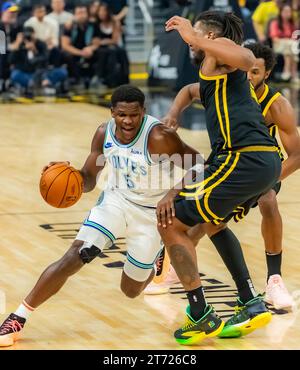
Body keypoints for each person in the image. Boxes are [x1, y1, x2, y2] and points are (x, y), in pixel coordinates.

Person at [0, 84, 202, 347]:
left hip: (151, 213)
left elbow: (197, 163)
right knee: (76, 254)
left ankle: (158, 260)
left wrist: (172, 195)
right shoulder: (102, 134)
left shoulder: (159, 137)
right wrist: (67, 173)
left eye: (134, 115)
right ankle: (18, 318)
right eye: (121, 115)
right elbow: (89, 180)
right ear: (112, 113)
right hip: (116, 201)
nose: (127, 121)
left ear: (143, 111)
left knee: (131, 290)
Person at [155, 11, 282, 345]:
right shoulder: (212, 70)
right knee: (212, 223)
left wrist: (191, 34)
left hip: (244, 158)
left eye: (197, 33)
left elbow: (247, 57)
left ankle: (200, 314)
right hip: (252, 161)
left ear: (209, 37)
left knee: (170, 223)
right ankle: (251, 303)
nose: (189, 40)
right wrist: (173, 113)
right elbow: (189, 90)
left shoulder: (224, 54)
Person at [148, 43, 299, 311]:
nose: (248, 76)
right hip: (228, 163)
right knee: (207, 219)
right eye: (246, 71)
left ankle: (274, 280)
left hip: (262, 167)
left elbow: (297, 154)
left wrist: (273, 181)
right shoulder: (227, 84)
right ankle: (176, 267)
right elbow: (188, 90)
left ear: (267, 74)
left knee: (268, 201)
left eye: (255, 72)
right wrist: (173, 113)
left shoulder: (277, 105)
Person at [269, 3, 298, 82]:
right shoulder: (275, 23)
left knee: (292, 48)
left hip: (290, 46)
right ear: (281, 12)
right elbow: (274, 39)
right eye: (285, 11)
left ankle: (289, 73)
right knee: (291, 46)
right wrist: (288, 41)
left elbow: (295, 36)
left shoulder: (292, 24)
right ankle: (291, 73)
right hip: (278, 45)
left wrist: (291, 42)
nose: (287, 13)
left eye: (289, 11)